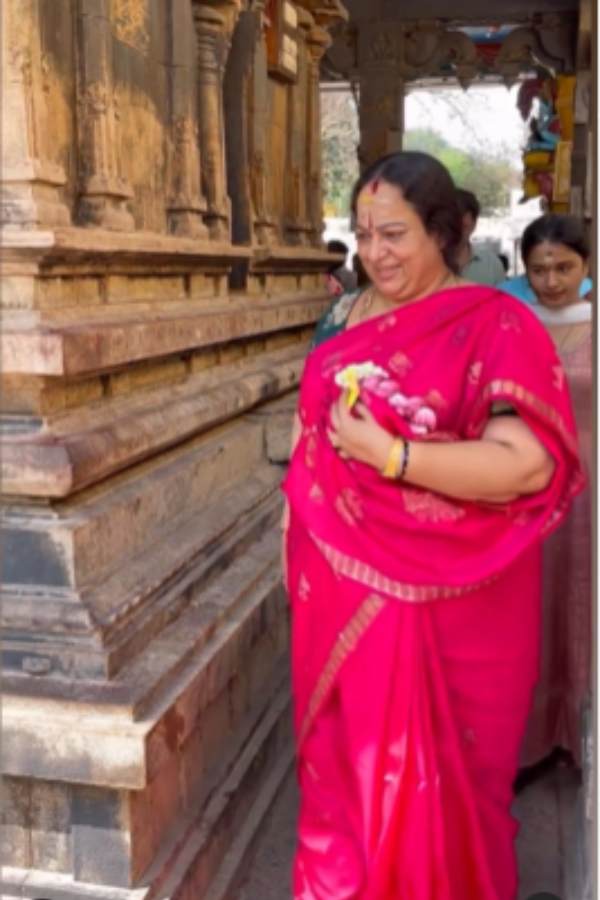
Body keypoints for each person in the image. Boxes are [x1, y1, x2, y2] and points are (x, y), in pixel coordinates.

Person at [281, 151, 583, 899]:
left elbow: (525, 466)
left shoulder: (495, 325)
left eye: (395, 235)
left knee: (438, 789)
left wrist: (392, 455)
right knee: (344, 785)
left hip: (453, 604)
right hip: (338, 600)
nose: (376, 252)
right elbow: (308, 437)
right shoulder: (346, 318)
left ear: (444, 234)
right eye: (364, 235)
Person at [516, 215, 592, 779]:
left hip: (591, 488)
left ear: (586, 266)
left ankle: (583, 732)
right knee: (536, 608)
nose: (551, 280)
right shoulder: (515, 326)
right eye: (539, 269)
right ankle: (538, 737)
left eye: (563, 267)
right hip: (532, 486)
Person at [456, 188, 506, 286]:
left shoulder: (491, 264)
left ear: (474, 224)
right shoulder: (428, 262)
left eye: (464, 226)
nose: (457, 229)